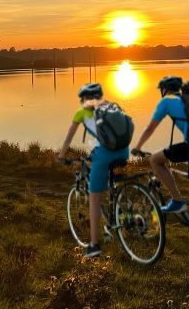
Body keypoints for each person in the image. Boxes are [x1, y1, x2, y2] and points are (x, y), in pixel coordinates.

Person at [131, 76, 189, 215]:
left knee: (155, 160)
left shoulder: (166, 101)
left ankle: (177, 201)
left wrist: (137, 147)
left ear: (163, 90)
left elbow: (150, 128)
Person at [57, 82, 130, 258]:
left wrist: (61, 155)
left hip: (104, 154)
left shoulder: (81, 113)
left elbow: (68, 138)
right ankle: (120, 212)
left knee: (94, 197)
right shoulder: (113, 106)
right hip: (123, 151)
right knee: (113, 183)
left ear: (83, 99)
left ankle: (94, 245)